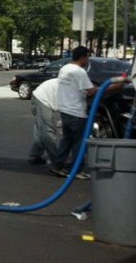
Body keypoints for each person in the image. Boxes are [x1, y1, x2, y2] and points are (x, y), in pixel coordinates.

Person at [50, 46, 122, 179]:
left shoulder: (64, 69)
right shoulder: (79, 72)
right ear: (83, 57)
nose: (88, 60)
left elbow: (77, 89)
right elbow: (92, 91)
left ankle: (57, 165)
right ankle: (75, 170)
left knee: (67, 140)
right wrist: (116, 86)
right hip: (76, 112)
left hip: (65, 110)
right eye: (87, 57)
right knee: (79, 142)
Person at [27, 78, 61, 166]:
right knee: (47, 131)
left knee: (40, 130)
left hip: (41, 95)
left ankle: (34, 156)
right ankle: (56, 161)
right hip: (43, 99)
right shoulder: (77, 88)